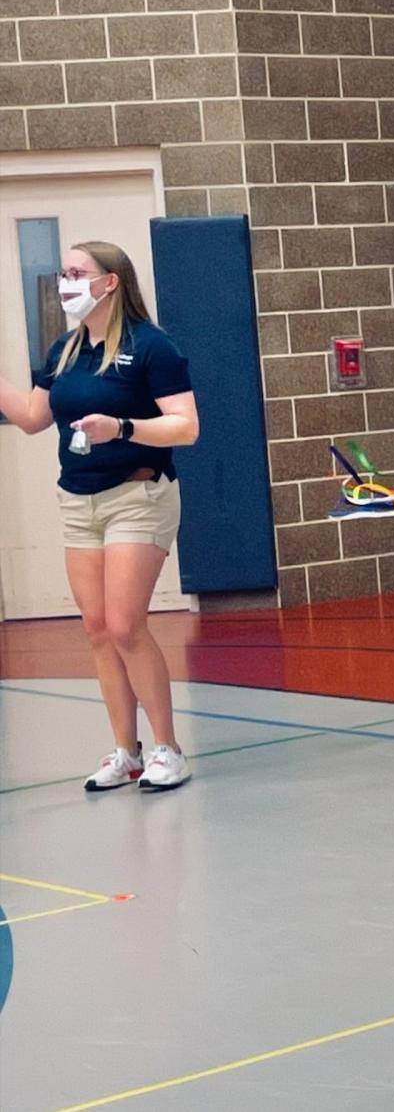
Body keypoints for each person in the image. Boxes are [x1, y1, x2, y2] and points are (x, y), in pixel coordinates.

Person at [0, 241, 199, 792]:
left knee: (124, 624)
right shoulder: (65, 349)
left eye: (76, 272)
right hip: (78, 501)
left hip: (137, 497)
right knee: (96, 629)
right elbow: (34, 417)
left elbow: (186, 426)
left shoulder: (152, 347)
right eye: (62, 272)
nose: (65, 280)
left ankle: (167, 748)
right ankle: (125, 752)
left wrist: (124, 427)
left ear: (110, 282)